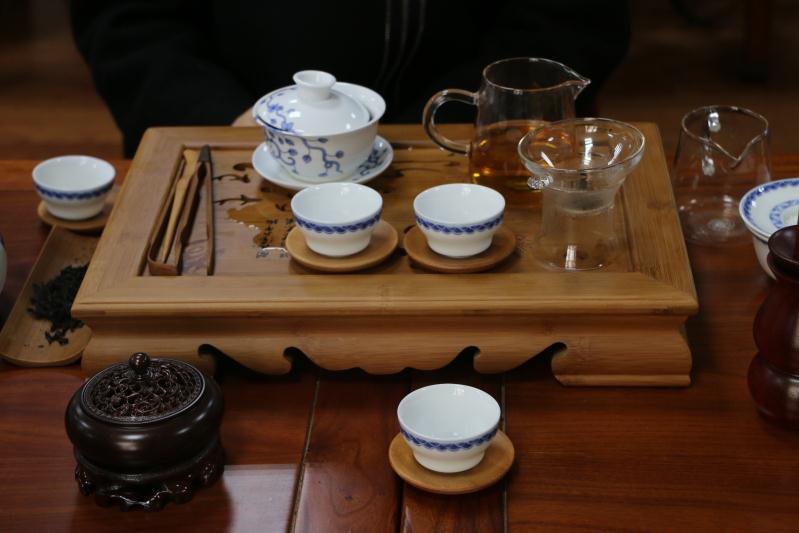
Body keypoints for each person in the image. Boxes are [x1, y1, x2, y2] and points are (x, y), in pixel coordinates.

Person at [71, 0, 631, 157]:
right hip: (242, 144)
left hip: (467, 143)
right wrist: (224, 120)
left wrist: (470, 118)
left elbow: (571, 20)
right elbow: (130, 22)